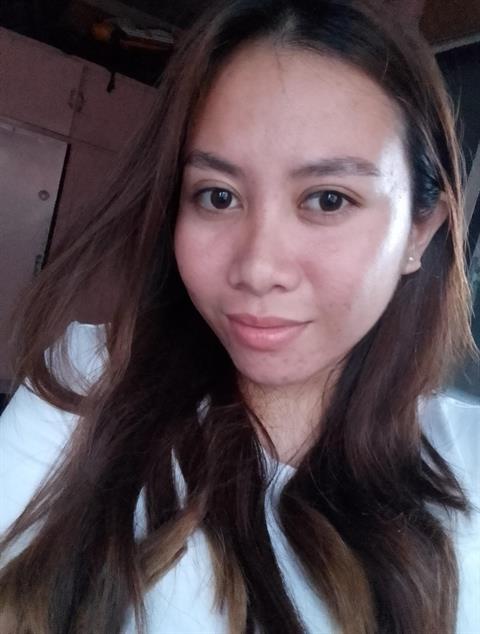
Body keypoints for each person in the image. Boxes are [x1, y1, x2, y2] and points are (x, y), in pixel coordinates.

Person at [0, 0, 479, 632]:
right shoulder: (84, 384)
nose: (257, 268)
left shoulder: (469, 464)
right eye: (218, 196)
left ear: (420, 231)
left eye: (328, 199)